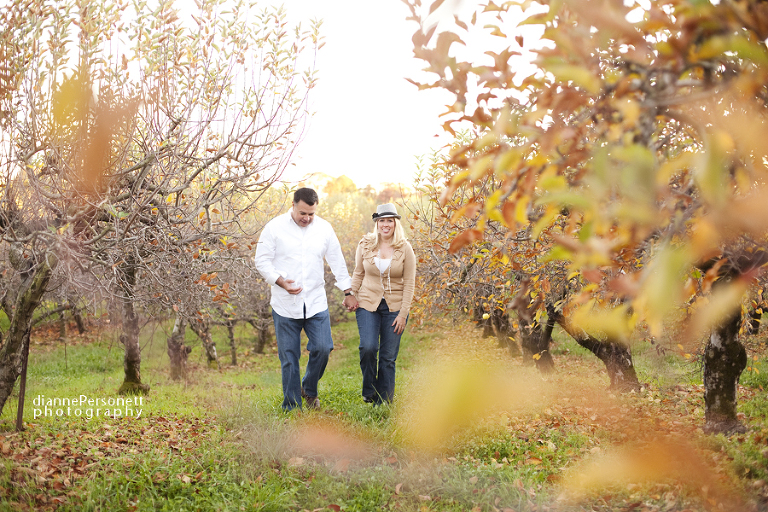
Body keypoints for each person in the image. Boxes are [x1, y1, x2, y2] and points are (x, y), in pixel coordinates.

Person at [254, 187, 358, 411]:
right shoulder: (274, 228)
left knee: (323, 347)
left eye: (311, 214)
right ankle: (292, 407)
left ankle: (308, 389)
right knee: (290, 358)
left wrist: (348, 292)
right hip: (284, 305)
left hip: (315, 302)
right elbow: (261, 261)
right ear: (293, 205)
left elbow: (337, 261)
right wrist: (280, 281)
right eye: (303, 213)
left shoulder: (324, 229)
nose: (307, 218)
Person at [349, 203, 416, 404]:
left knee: (387, 357)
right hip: (367, 303)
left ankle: (383, 401)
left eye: (389, 221)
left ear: (395, 224)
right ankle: (369, 391)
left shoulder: (405, 248)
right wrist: (351, 294)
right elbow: (358, 272)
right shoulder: (365, 244)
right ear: (376, 223)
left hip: (394, 308)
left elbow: (410, 282)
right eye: (381, 221)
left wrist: (403, 314)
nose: (385, 225)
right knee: (368, 347)